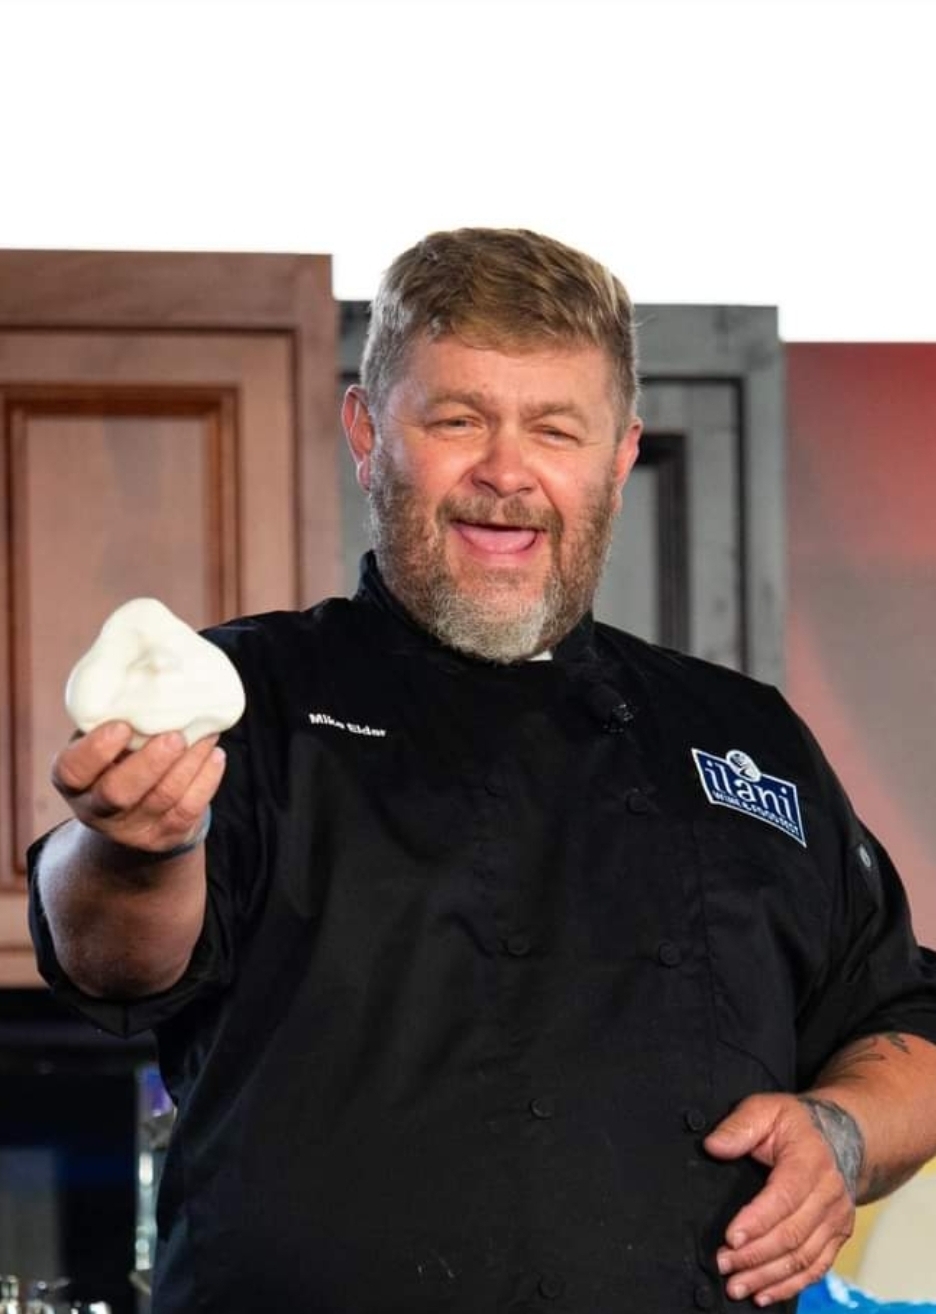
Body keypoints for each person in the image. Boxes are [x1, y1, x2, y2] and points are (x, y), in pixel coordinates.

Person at [28, 228, 936, 1314]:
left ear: (617, 459)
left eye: (555, 429)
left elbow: (910, 1021)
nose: (506, 474)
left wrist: (841, 1133)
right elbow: (111, 958)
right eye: (458, 420)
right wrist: (138, 846)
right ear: (368, 432)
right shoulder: (244, 694)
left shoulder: (748, 738)